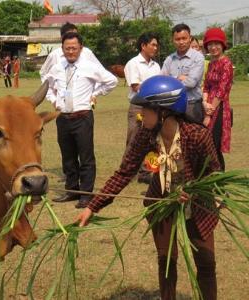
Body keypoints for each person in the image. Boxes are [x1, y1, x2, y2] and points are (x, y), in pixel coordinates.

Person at [77, 75, 221, 300]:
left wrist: (192, 192)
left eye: (146, 109)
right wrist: (92, 207)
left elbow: (215, 174)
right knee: (166, 260)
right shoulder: (146, 134)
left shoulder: (197, 136)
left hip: (198, 205)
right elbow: (124, 172)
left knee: (205, 261)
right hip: (161, 202)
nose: (141, 113)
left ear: (165, 112)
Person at [46, 32, 117, 208]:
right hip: (63, 117)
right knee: (67, 157)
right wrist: (54, 100)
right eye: (67, 48)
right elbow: (46, 85)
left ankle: (86, 194)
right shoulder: (56, 67)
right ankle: (72, 190)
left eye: (74, 48)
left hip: (83, 116)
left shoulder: (89, 66)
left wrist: (95, 93)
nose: (71, 51)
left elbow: (112, 81)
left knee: (86, 157)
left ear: (81, 48)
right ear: (62, 49)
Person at [124, 32, 161, 183]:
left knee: (152, 140)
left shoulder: (156, 65)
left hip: (153, 107)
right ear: (143, 46)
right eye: (153, 44)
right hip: (138, 106)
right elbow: (135, 86)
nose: (155, 48)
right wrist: (155, 89)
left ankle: (146, 172)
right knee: (134, 138)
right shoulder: (133, 63)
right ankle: (127, 171)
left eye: (156, 45)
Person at [202, 28, 233, 171]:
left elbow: (221, 91)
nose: (213, 47)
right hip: (208, 105)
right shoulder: (212, 63)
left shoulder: (226, 64)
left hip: (219, 108)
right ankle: (210, 176)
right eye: (210, 44)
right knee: (207, 145)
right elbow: (206, 86)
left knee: (214, 144)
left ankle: (220, 177)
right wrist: (204, 103)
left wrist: (209, 113)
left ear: (223, 45)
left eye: (217, 44)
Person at [162, 24, 205, 124]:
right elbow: (162, 80)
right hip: (172, 106)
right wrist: (178, 78)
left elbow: (191, 83)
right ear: (173, 40)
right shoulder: (169, 59)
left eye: (184, 38)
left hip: (192, 105)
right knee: (173, 138)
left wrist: (171, 80)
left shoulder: (198, 57)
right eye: (177, 39)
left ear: (190, 38)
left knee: (193, 138)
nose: (181, 42)